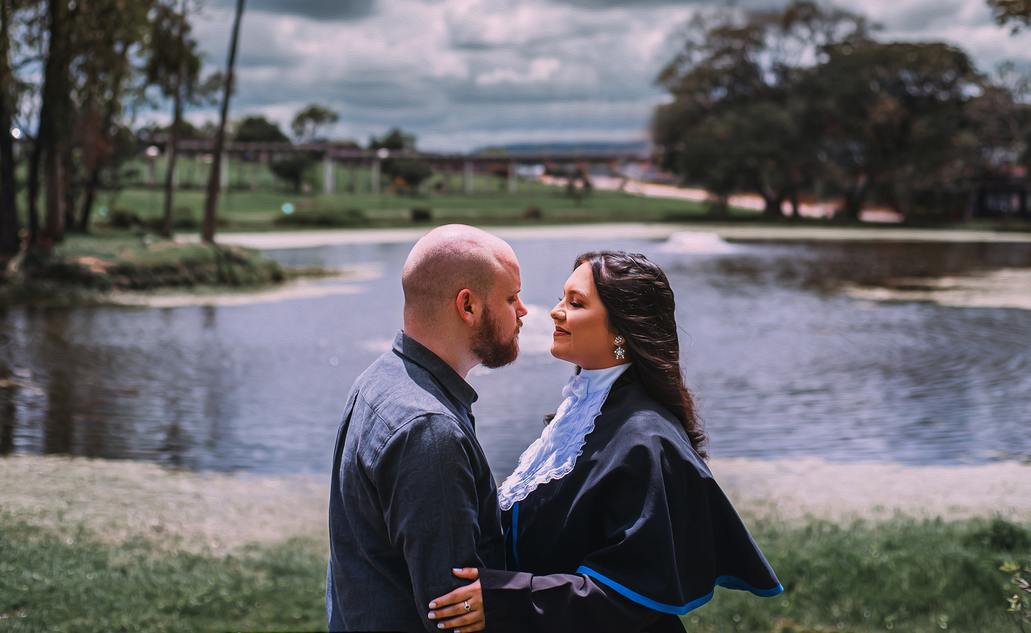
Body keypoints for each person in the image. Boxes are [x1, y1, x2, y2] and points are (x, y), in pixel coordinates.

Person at [427, 251, 782, 632]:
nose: (555, 311)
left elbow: (632, 593)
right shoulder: (579, 413)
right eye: (562, 298)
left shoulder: (646, 439)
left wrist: (505, 599)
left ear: (621, 330)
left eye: (576, 303)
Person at [327, 224, 528, 632]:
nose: (523, 310)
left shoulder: (379, 378)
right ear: (467, 306)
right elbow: (453, 612)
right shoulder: (430, 431)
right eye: (511, 297)